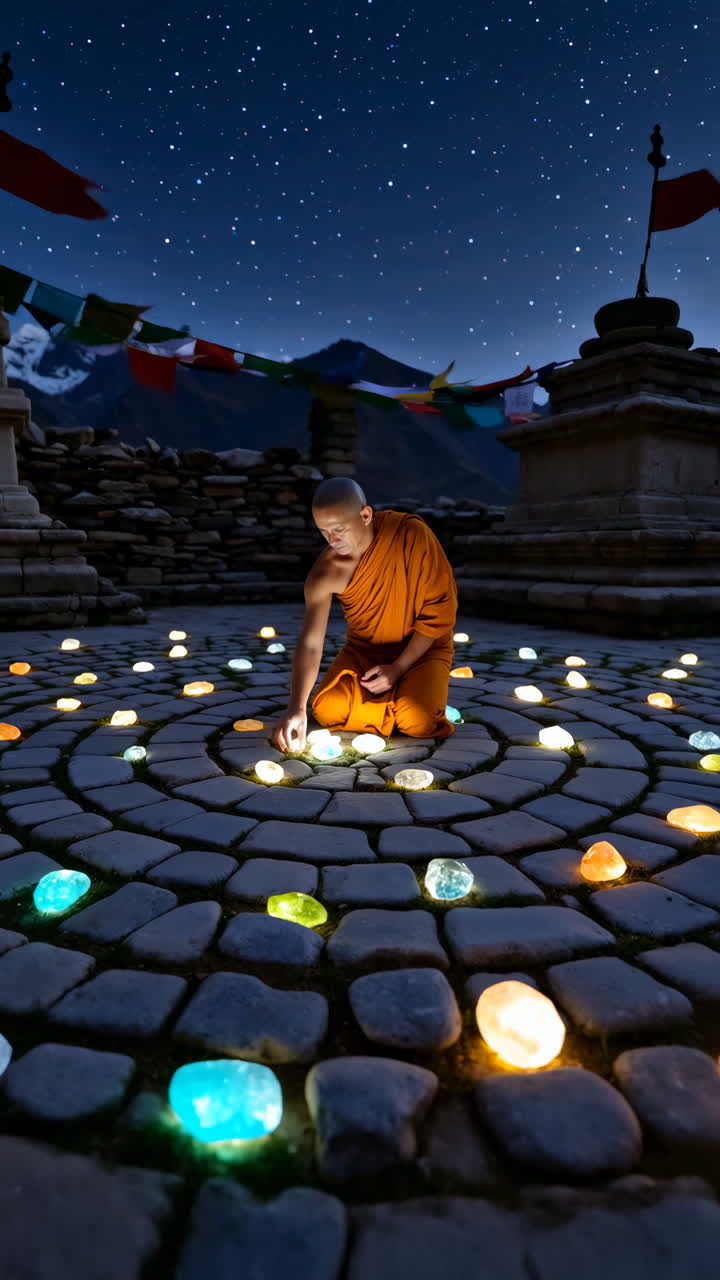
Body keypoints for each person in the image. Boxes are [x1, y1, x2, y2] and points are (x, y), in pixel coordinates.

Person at [271, 477, 458, 753]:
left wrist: (397, 669)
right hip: (365, 652)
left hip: (423, 648)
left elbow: (439, 611)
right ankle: (398, 698)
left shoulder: (410, 535)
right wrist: (296, 708)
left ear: (366, 515)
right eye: (324, 531)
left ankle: (402, 693)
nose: (333, 540)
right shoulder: (326, 573)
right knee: (326, 710)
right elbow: (311, 643)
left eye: (339, 529)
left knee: (418, 722)